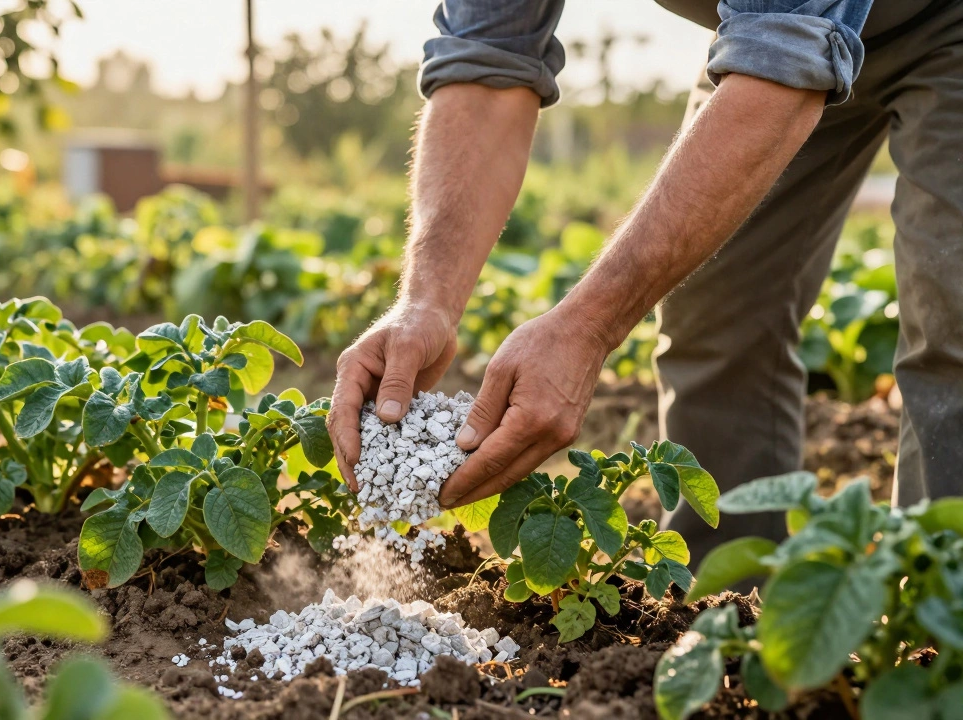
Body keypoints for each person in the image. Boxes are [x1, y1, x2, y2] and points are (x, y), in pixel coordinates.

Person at [325, 0, 963, 563]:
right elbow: (487, 61)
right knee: (715, 313)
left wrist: (588, 326)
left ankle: (942, 630)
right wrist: (425, 301)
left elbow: (784, 58)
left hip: (933, 25)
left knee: (952, 318)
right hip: (775, 32)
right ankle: (730, 610)